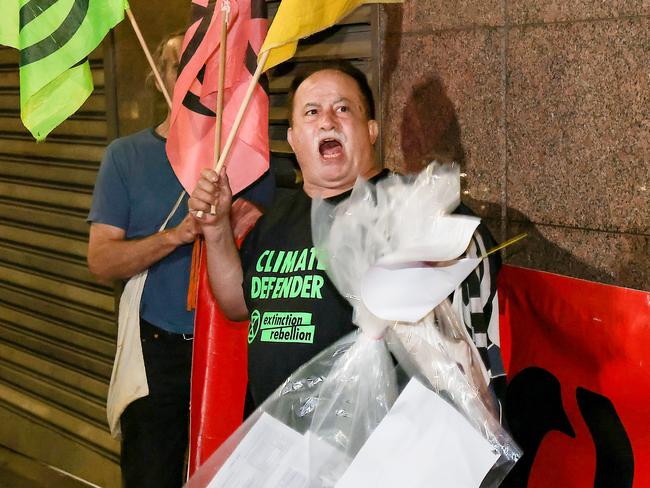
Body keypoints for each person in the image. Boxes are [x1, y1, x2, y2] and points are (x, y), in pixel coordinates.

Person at [189, 61, 505, 415]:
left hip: (368, 446)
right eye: (311, 112)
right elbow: (236, 304)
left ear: (370, 130)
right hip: (274, 444)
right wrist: (216, 229)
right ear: (292, 138)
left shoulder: (406, 206)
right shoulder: (277, 216)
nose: (327, 121)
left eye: (343, 109)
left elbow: (473, 279)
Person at [86, 32, 274, 487]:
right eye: (183, 66)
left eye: (209, 69)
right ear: (160, 78)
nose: (198, 79)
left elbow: (266, 256)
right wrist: (177, 236)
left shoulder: (249, 160)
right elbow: (101, 261)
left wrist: (232, 224)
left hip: (232, 352)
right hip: (156, 354)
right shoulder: (126, 157)